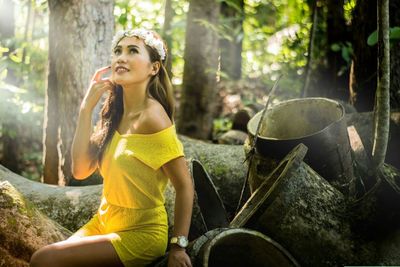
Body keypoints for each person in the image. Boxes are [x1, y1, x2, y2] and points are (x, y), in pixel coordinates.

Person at [30, 28, 194, 267]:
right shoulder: (114, 114)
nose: (121, 57)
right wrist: (86, 110)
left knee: (44, 259)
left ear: (154, 68)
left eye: (132, 51)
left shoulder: (153, 118)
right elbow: (80, 171)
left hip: (141, 233)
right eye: (117, 51)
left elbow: (184, 186)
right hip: (104, 222)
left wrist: (178, 247)